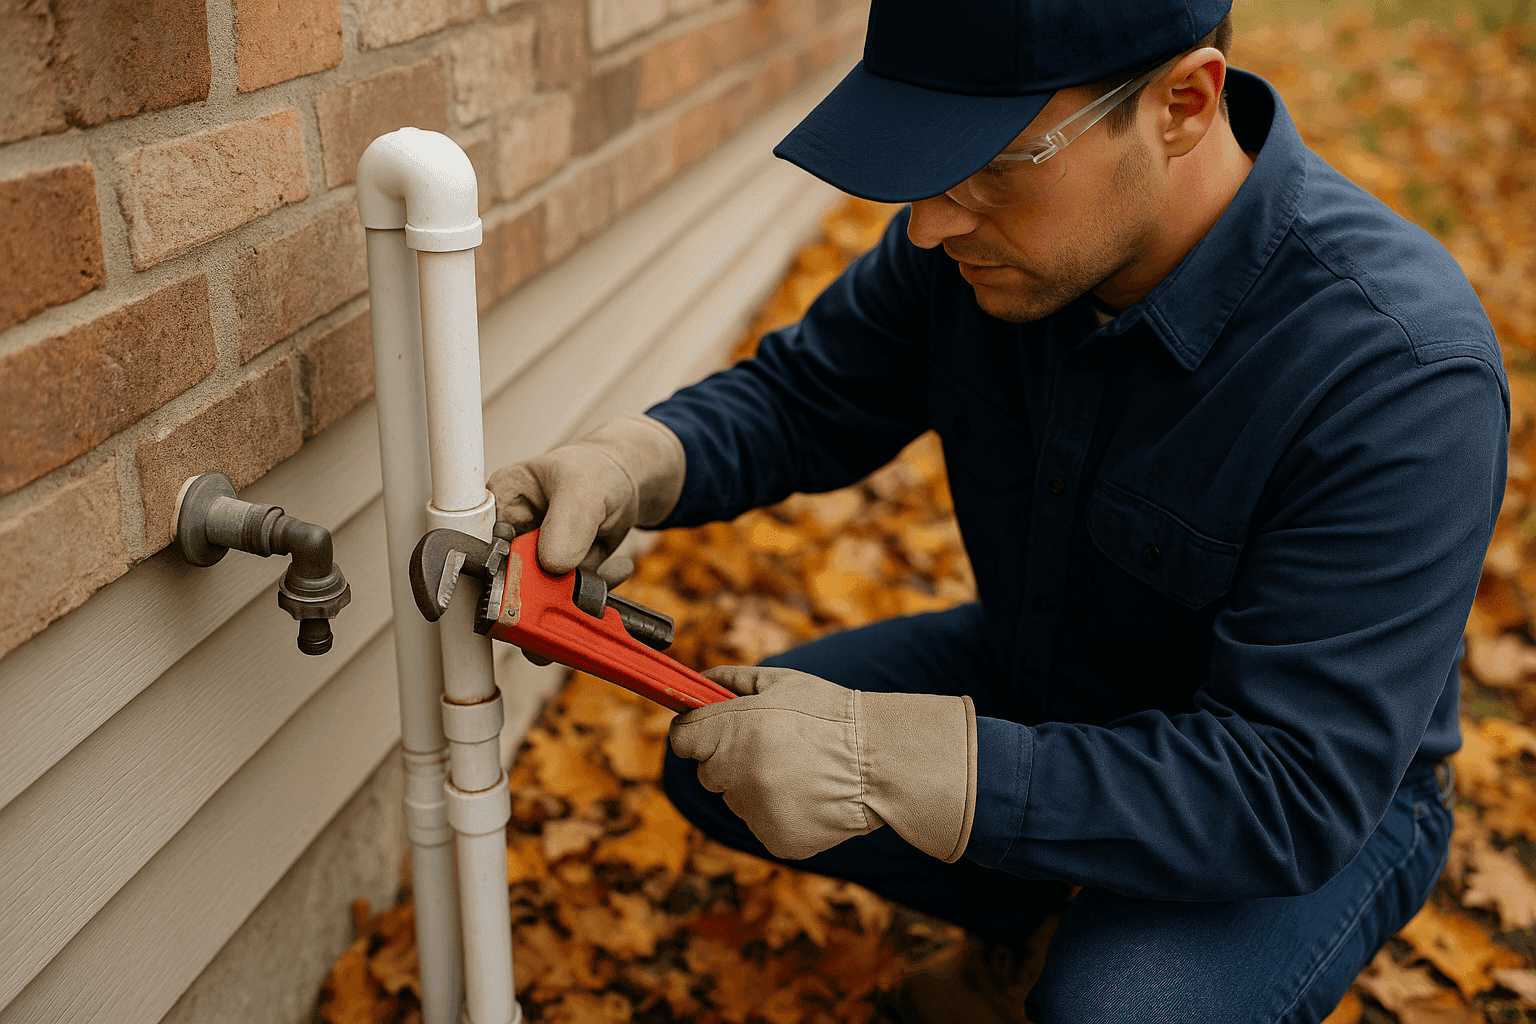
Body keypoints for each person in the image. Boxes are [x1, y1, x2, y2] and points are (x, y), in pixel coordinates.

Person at [487, 0, 1509, 1019]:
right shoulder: (982, 246)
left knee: (1116, 1012)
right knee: (717, 758)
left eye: (990, 167)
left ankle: (1112, 947)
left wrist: (901, 766)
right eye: (926, 161)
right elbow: (808, 394)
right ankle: (1035, 917)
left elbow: (1289, 785)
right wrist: (632, 462)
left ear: (1183, 105)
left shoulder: (1397, 370)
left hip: (1297, 797)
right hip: (1049, 667)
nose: (929, 222)